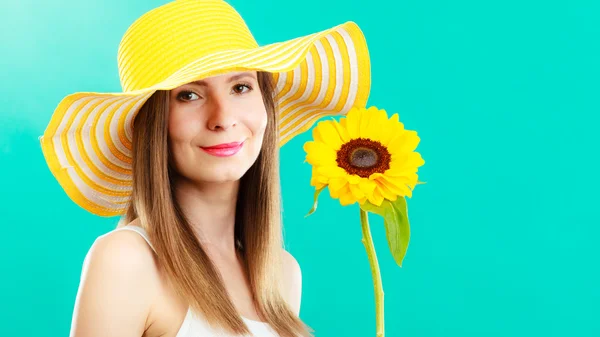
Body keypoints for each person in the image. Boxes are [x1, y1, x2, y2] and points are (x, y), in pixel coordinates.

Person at [39, 0, 371, 336]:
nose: (223, 118)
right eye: (189, 95)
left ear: (265, 104)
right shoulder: (127, 260)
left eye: (240, 87)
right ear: (155, 125)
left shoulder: (282, 274)